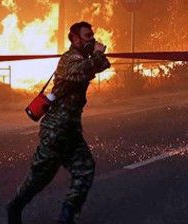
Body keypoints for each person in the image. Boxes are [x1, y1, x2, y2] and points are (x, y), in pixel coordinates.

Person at [7, 21, 111, 224]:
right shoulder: (69, 60)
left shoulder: (83, 58)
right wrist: (97, 55)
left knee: (85, 169)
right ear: (75, 38)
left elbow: (103, 66)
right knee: (39, 178)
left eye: (92, 35)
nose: (92, 39)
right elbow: (80, 71)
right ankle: (15, 207)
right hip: (55, 130)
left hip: (70, 130)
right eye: (88, 36)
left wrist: (97, 54)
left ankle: (66, 216)